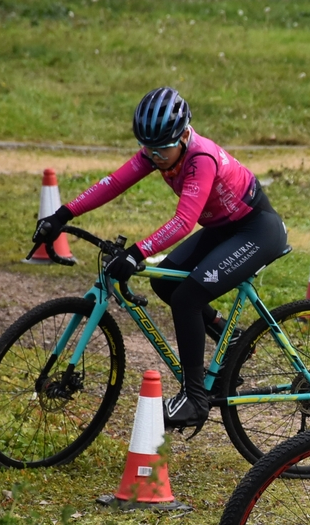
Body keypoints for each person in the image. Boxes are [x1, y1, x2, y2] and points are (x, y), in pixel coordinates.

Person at [31, 87, 288, 429]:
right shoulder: (156, 152)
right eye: (147, 148)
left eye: (163, 148)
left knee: (187, 298)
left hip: (257, 230)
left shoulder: (200, 158)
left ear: (183, 135)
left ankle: (195, 400)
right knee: (165, 282)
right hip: (223, 228)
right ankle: (230, 336)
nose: (155, 156)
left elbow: (183, 222)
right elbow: (113, 183)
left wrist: (137, 253)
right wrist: (62, 215)